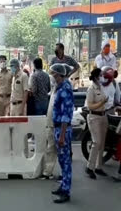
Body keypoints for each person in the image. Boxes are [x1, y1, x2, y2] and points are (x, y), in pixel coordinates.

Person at [49, 64, 74, 204]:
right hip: (58, 128)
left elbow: (66, 115)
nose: (52, 77)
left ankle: (66, 191)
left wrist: (63, 135)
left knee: (66, 162)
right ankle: (63, 186)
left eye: (54, 74)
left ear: (59, 75)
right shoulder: (60, 87)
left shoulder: (65, 89)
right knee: (62, 160)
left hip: (63, 129)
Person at [85, 68, 109, 179]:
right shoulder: (91, 89)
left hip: (103, 116)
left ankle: (98, 167)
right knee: (96, 142)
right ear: (95, 77)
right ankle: (90, 167)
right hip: (94, 117)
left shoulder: (101, 87)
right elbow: (90, 106)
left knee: (102, 144)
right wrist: (101, 102)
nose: (102, 77)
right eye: (100, 75)